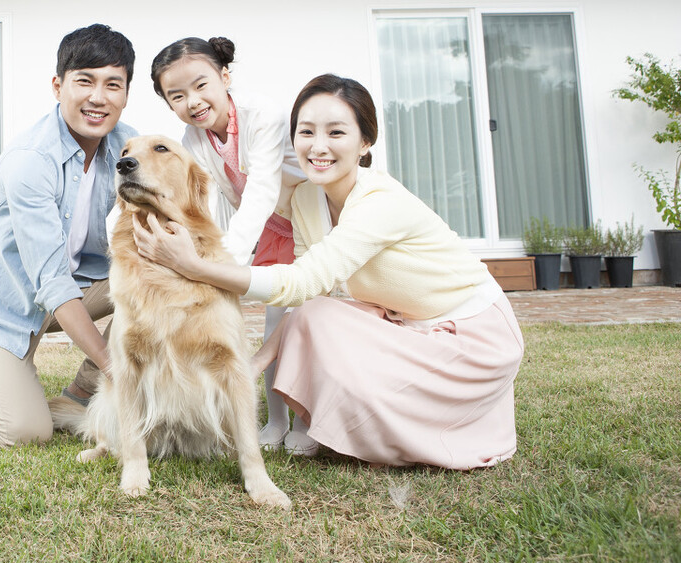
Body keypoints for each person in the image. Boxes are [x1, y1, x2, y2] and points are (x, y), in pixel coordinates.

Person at [132, 74, 525, 469]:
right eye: (306, 132)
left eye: (336, 132)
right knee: (317, 314)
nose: (318, 147)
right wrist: (250, 367)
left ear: (365, 142)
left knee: (316, 314)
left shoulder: (380, 201)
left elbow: (299, 283)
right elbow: (310, 297)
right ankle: (335, 419)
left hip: (473, 337)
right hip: (408, 328)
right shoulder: (305, 199)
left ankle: (437, 424)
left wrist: (194, 267)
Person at [0, 23, 137, 447]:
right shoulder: (30, 160)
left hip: (78, 282)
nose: (98, 97)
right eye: (84, 81)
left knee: (153, 277)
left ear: (125, 94)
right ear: (58, 85)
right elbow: (52, 282)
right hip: (5, 302)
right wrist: (116, 369)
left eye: (113, 84)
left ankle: (82, 392)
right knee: (26, 432)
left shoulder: (127, 147)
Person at [149, 37, 304, 449]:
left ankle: (305, 423)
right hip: (273, 230)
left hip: (306, 222)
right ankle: (275, 421)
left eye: (201, 85)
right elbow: (207, 201)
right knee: (273, 322)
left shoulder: (263, 114)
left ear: (225, 76)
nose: (193, 101)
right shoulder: (195, 139)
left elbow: (263, 189)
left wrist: (224, 266)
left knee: (303, 322)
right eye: (177, 96)